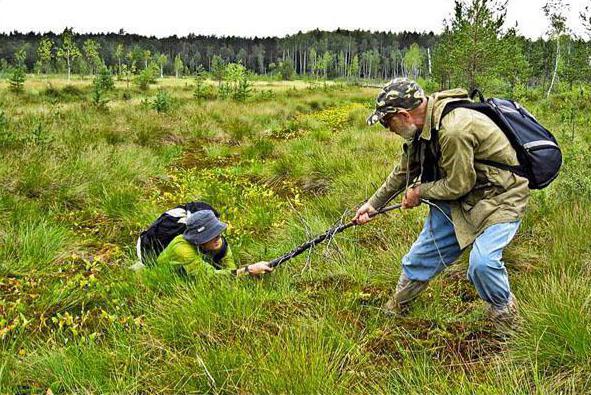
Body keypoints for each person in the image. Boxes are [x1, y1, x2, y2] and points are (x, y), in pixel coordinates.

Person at [353, 78, 529, 324]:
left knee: (483, 264)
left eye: (386, 121)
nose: (387, 128)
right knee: (419, 259)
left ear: (403, 115)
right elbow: (405, 171)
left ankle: (505, 316)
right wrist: (373, 205)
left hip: (499, 197)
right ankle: (396, 309)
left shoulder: (454, 129)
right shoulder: (422, 128)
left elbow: (459, 184)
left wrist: (419, 192)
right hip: (460, 198)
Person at [156, 209, 273, 277]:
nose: (218, 237)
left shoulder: (219, 243)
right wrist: (248, 270)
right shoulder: (182, 249)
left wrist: (244, 275)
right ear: (199, 238)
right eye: (211, 234)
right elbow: (209, 277)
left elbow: (231, 269)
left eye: (218, 232)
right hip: (159, 278)